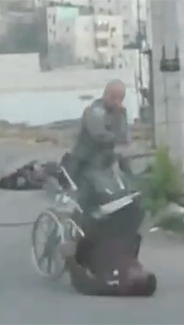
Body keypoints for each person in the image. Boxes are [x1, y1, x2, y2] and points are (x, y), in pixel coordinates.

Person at [63, 79, 157, 296]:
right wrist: (121, 141)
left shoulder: (119, 113)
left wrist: (123, 137)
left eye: (120, 98)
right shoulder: (93, 112)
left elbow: (123, 137)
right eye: (114, 97)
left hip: (105, 165)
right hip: (84, 165)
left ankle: (88, 237)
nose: (117, 102)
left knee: (120, 196)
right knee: (95, 197)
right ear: (106, 94)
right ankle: (80, 233)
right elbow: (101, 136)